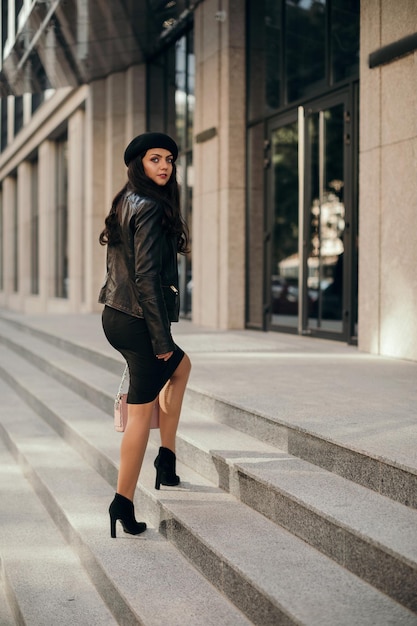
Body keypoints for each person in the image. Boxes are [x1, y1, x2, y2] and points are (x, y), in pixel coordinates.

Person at [98, 132, 191, 539]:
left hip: (116, 315)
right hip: (139, 320)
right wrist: (160, 340)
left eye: (169, 159)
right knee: (140, 412)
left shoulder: (126, 201)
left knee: (182, 368)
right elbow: (146, 277)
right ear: (139, 163)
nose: (165, 166)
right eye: (155, 159)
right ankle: (123, 501)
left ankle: (166, 460)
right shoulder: (150, 206)